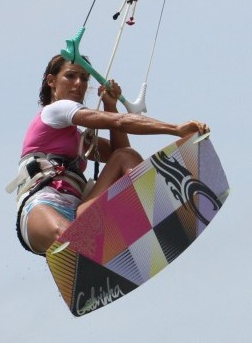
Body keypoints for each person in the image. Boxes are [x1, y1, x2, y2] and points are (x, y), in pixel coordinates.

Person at [11, 54, 210, 255]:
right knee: (68, 236)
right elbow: (119, 122)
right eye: (70, 76)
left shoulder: (79, 138)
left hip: (79, 212)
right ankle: (78, 251)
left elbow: (121, 152)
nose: (79, 83)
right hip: (42, 205)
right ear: (51, 81)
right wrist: (175, 129)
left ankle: (153, 211)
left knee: (126, 155)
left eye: (84, 78)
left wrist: (110, 105)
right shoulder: (54, 111)